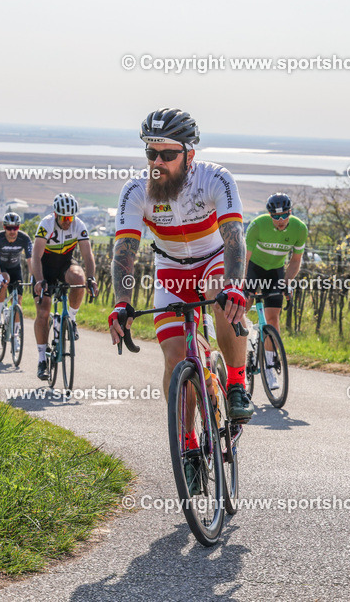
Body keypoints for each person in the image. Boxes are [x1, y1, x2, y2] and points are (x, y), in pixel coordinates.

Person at [107, 108, 250, 495]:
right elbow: (125, 250)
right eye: (150, 154)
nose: (157, 163)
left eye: (167, 155)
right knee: (175, 356)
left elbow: (236, 237)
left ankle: (236, 383)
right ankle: (189, 448)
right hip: (170, 268)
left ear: (189, 154)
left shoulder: (215, 179)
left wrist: (235, 286)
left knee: (219, 294)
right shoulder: (136, 191)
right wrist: (122, 303)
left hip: (215, 259)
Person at [31, 193, 98, 380]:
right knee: (43, 312)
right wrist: (39, 280)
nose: (68, 221)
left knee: (79, 278)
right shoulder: (46, 224)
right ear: (55, 214)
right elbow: (36, 256)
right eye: (63, 218)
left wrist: (91, 278)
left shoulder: (79, 225)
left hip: (64, 264)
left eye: (70, 217)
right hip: (44, 269)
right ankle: (42, 359)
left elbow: (88, 256)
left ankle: (72, 319)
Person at [244, 192, 307, 390]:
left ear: (290, 212)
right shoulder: (257, 225)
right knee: (241, 307)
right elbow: (244, 259)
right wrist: (244, 285)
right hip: (253, 268)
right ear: (269, 215)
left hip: (275, 271)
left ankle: (270, 365)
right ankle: (243, 351)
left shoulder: (299, 229)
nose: (280, 221)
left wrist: (286, 283)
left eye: (284, 216)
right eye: (276, 217)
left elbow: (295, 260)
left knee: (273, 318)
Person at [0, 212, 32, 340]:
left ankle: (16, 335)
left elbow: (30, 260)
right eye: (9, 228)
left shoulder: (24, 238)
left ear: (19, 227)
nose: (12, 231)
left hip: (15, 269)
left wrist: (33, 276)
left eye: (15, 228)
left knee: (18, 301)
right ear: (4, 227)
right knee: (5, 278)